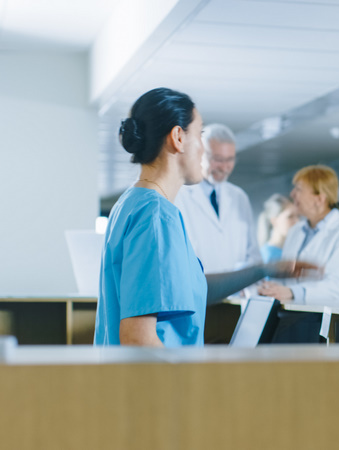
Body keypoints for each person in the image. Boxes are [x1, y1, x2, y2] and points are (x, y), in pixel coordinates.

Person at [95, 87, 313, 347]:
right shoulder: (156, 216)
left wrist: (262, 269)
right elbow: (138, 338)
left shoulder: (131, 204)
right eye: (199, 134)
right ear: (178, 137)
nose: (201, 149)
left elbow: (192, 289)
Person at [258, 165, 339, 307]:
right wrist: (272, 288)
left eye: (299, 189)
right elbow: (289, 279)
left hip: (328, 318)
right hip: (292, 313)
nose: (292, 194)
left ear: (319, 199)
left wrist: (292, 292)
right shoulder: (296, 231)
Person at [174, 123, 261, 275]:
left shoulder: (239, 197)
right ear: (199, 154)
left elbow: (253, 254)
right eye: (218, 159)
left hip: (234, 293)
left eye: (230, 159)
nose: (224, 167)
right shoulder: (179, 195)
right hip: (197, 292)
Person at [257, 194, 299, 264]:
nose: (297, 221)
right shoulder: (267, 256)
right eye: (290, 217)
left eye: (298, 216)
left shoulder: (291, 250)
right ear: (274, 221)